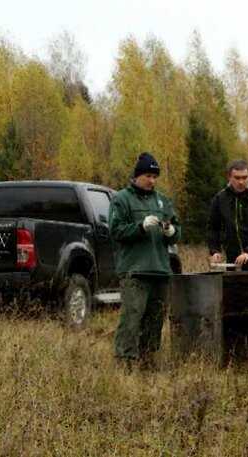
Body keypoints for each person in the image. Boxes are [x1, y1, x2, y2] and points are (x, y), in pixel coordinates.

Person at [108, 151, 181, 369]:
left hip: (160, 270)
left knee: (155, 321)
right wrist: (140, 227)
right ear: (137, 175)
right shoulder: (122, 199)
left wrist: (171, 231)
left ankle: (149, 362)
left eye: (154, 176)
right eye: (148, 175)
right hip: (134, 270)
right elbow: (116, 231)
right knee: (131, 318)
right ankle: (125, 363)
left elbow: (177, 231)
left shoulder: (162, 201)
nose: (152, 180)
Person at [208, 159, 248, 271]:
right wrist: (215, 250)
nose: (241, 182)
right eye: (237, 178)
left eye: (244, 177)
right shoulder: (219, 199)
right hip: (233, 259)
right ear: (229, 177)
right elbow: (213, 227)